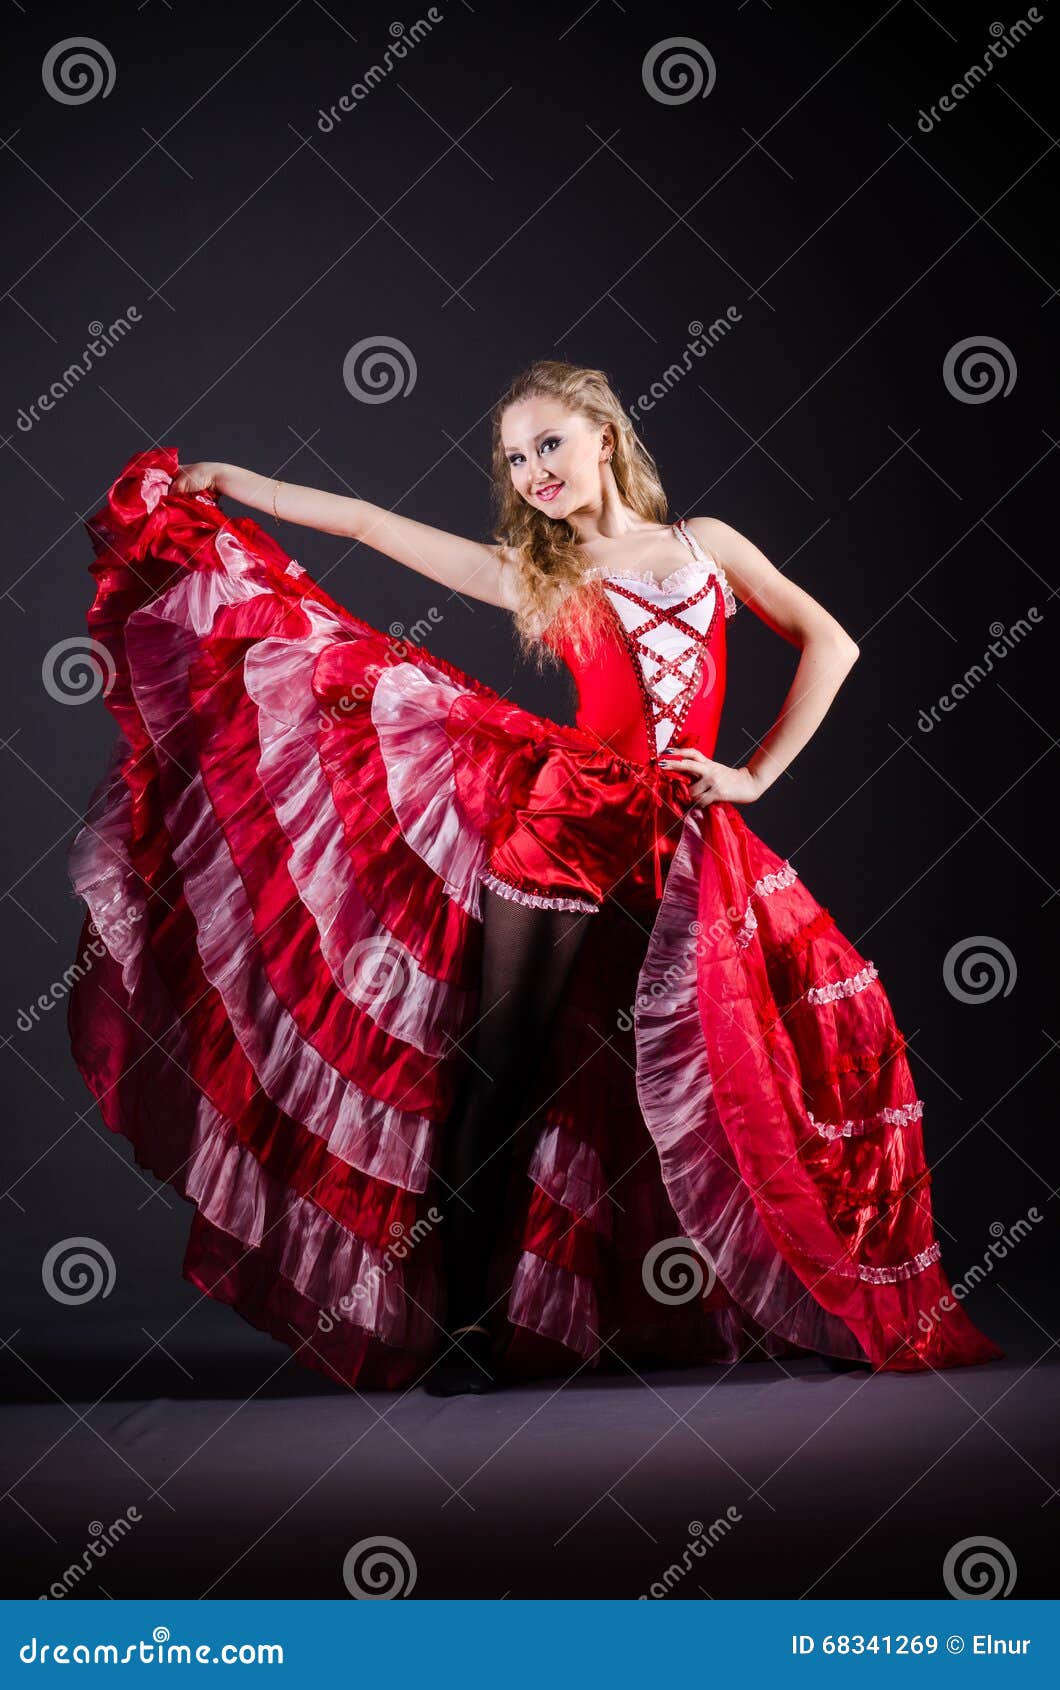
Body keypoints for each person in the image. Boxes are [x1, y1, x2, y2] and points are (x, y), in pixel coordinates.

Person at [66, 359, 1003, 1398]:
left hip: (685, 837)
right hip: (565, 831)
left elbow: (832, 642)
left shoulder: (709, 545)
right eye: (514, 459)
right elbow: (370, 524)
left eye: (548, 444)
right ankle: (466, 1329)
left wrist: (752, 776)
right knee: (501, 1071)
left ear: (605, 435)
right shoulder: (537, 570)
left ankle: (806, 1291)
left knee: (768, 1048)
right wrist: (246, 484)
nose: (532, 472)